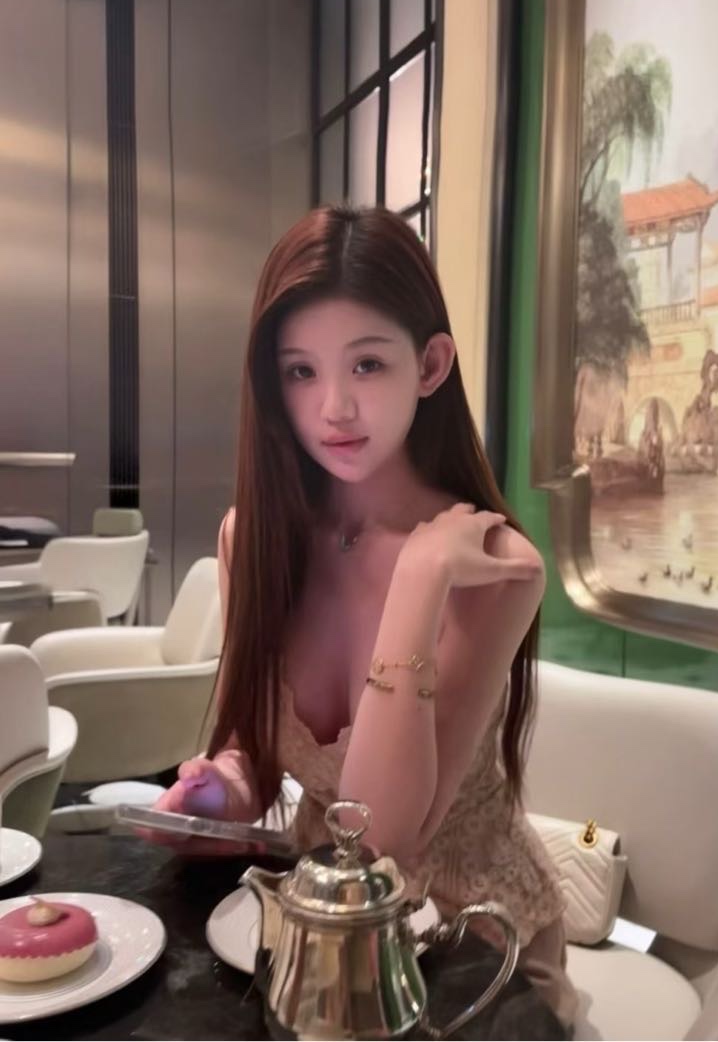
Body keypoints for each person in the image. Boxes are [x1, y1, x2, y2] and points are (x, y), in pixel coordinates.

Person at [148, 205, 578, 1029]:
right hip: (318, 932)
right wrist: (221, 787)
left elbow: (381, 843)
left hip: (477, 954)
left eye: (368, 364)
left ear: (430, 365)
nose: (334, 407)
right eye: (300, 371)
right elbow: (256, 748)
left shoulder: (495, 567)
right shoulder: (254, 539)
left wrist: (418, 583)